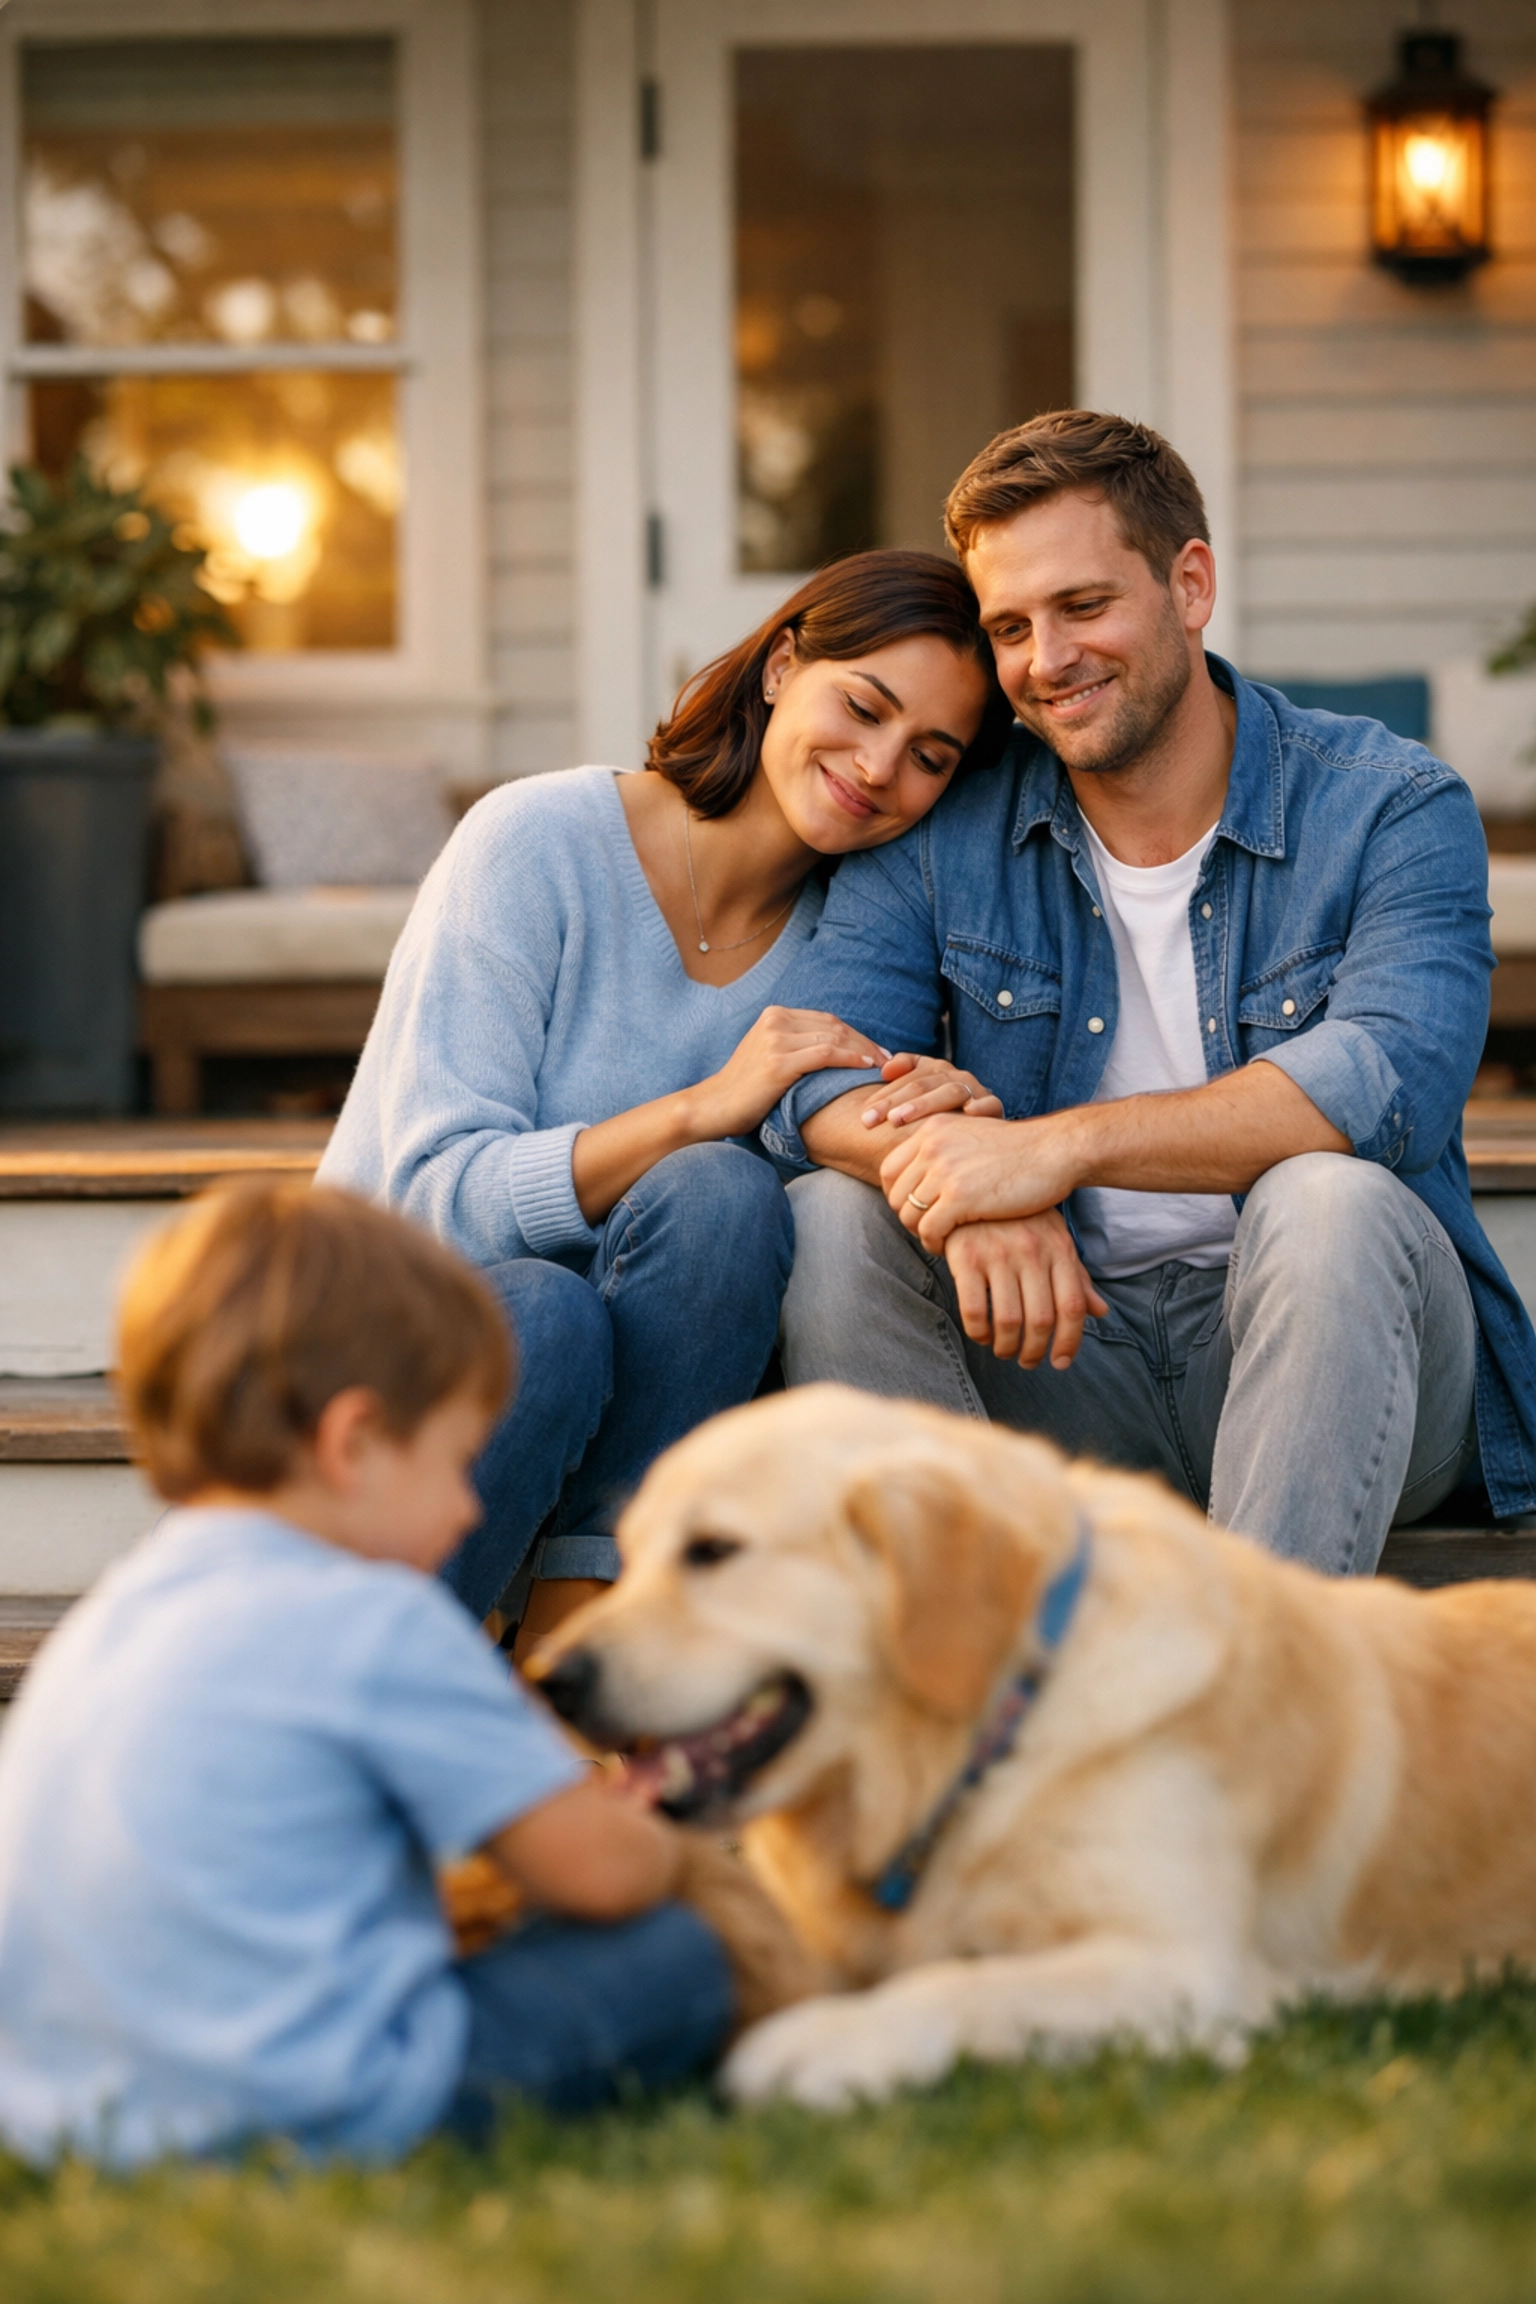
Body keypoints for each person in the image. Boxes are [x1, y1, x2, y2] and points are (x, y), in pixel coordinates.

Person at [762, 409, 1536, 1576]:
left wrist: (1053, 1151)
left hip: (1340, 1361)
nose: (1045, 661)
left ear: (1190, 583)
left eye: (1083, 608)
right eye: (1010, 627)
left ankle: (1250, 1714)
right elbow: (817, 1074)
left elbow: (1387, 1084)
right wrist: (982, 1190)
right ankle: (976, 1680)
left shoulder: (1387, 804)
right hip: (1056, 1351)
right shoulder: (946, 825)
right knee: (828, 1218)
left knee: (1331, 1197)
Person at [318, 551, 1013, 1652]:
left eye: (930, 757)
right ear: (783, 664)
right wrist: (700, 1105)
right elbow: (427, 1199)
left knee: (727, 1197)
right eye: (863, 707)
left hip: (640, 1419)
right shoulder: (535, 841)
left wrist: (956, 1117)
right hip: (400, 1349)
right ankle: (378, 1699)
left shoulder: (860, 947)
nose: (879, 768)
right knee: (553, 1313)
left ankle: (582, 1625)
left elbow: (753, 1245)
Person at [0, 1183, 733, 2167]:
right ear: (353, 1444)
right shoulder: (377, 1618)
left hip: (71, 2117)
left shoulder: (113, 1620)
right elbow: (598, 1876)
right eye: (455, 1463)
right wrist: (656, 1841)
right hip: (318, 2107)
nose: (470, 1513)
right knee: (677, 1957)